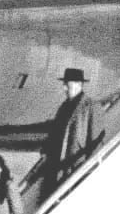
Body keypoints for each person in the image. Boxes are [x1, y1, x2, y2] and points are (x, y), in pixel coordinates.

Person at [41, 67, 104, 201]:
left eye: (67, 84)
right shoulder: (63, 107)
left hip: (75, 172)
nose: (64, 88)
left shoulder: (92, 107)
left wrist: (88, 175)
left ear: (79, 85)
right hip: (57, 171)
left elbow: (96, 145)